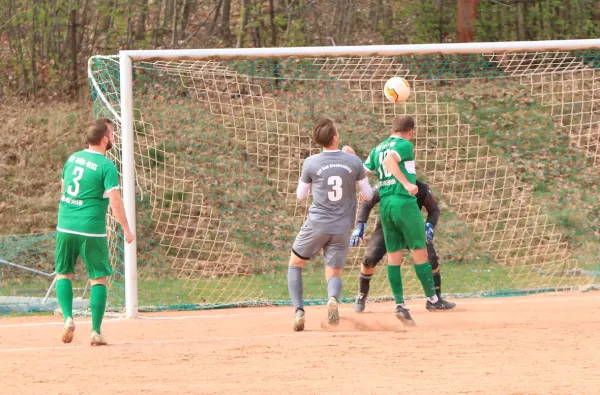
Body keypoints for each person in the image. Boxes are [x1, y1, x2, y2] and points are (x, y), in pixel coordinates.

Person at [362, 115, 454, 326]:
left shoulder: (378, 148)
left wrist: (349, 159)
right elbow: (390, 161)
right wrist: (405, 184)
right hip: (403, 202)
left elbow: (364, 170)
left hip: (385, 205)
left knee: (394, 255)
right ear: (411, 131)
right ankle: (433, 299)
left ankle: (400, 305)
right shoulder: (404, 144)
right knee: (419, 251)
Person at [288, 117, 374, 331]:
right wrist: (354, 161)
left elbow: (300, 196)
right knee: (334, 271)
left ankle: (299, 310)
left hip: (317, 224)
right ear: (335, 137)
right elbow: (369, 194)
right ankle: (332, 299)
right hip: (342, 227)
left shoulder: (311, 162)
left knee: (295, 264)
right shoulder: (353, 161)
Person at [55, 118, 135, 345]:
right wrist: (126, 228)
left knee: (64, 273)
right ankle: (95, 331)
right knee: (98, 279)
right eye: (111, 133)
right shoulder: (106, 166)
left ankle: (68, 318)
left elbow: (63, 189)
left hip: (65, 225)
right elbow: (115, 201)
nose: (113, 136)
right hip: (91, 228)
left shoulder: (72, 159)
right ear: (104, 138)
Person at [350, 180, 456, 312]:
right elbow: (367, 203)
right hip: (387, 228)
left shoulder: (420, 188)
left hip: (412, 228)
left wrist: (429, 226)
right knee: (369, 259)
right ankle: (362, 295)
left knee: (431, 258)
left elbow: (434, 210)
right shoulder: (385, 185)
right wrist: (360, 225)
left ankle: (435, 298)